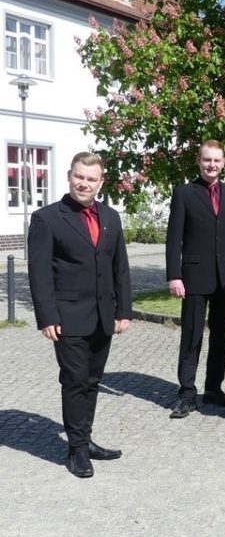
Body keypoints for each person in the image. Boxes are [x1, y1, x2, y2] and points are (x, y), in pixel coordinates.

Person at [28, 152, 132, 478]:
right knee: (74, 381)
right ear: (69, 175)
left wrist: (123, 310)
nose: (84, 183)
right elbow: (39, 272)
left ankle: (85, 440)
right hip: (68, 317)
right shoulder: (48, 218)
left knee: (92, 380)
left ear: (101, 182)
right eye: (79, 176)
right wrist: (46, 316)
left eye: (91, 179)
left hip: (103, 315)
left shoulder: (111, 218)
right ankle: (76, 451)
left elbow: (120, 268)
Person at [165, 139, 225, 418]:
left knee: (221, 336)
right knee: (191, 336)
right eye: (207, 159)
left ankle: (214, 388)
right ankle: (187, 393)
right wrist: (174, 275)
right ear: (199, 162)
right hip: (194, 277)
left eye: (217, 160)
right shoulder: (184, 194)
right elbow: (173, 238)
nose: (212, 165)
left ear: (224, 163)